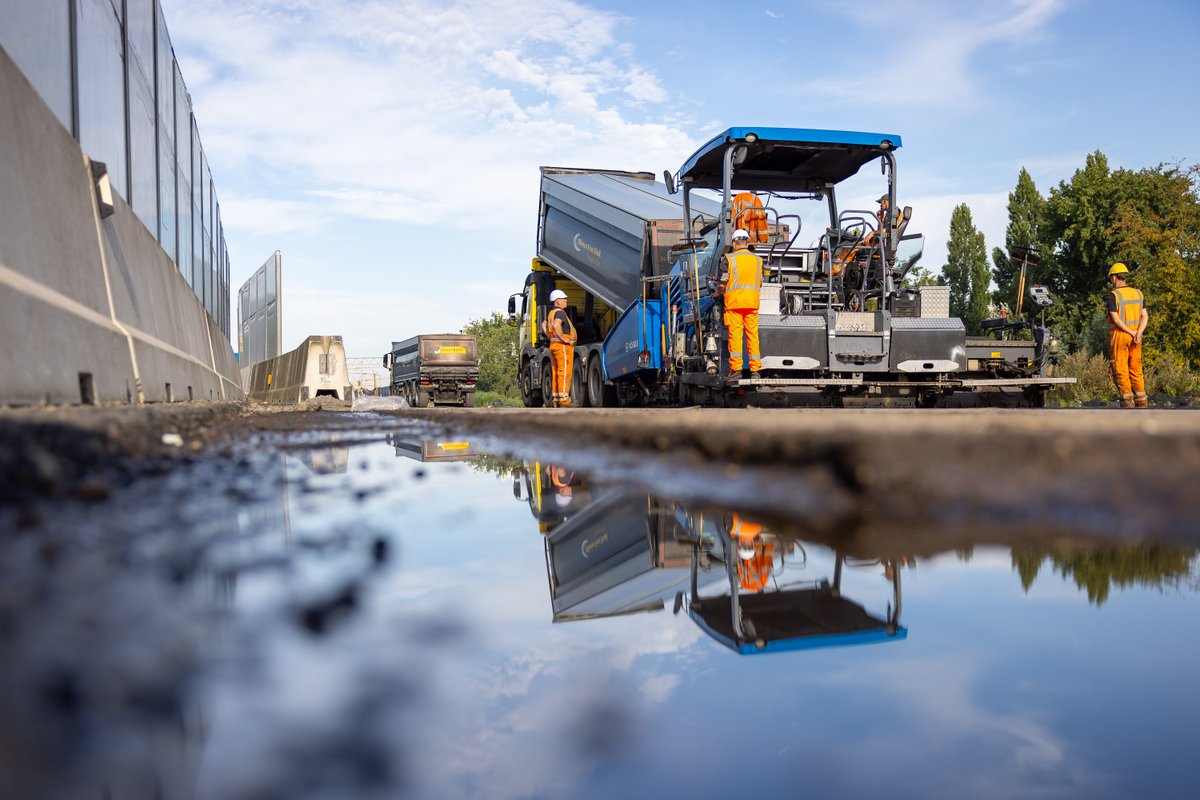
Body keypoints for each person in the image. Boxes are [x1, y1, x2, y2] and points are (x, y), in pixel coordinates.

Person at [717, 229, 763, 379]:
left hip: (734, 304)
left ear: (734, 243)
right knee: (752, 335)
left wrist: (718, 292)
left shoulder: (728, 259)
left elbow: (722, 283)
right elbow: (760, 282)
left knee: (736, 335)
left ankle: (736, 370)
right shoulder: (758, 260)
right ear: (747, 243)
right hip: (752, 303)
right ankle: (755, 370)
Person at [1106, 263, 1148, 408]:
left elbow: (1116, 319)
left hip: (1120, 335)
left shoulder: (1113, 295)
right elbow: (1145, 316)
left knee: (1120, 367)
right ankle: (1142, 400)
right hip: (1137, 336)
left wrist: (1130, 332)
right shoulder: (1138, 293)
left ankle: (1127, 401)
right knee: (1136, 367)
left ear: (1114, 277)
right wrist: (1138, 332)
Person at [543, 288, 577, 407]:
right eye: (564, 299)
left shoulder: (551, 313)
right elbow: (557, 325)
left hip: (554, 345)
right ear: (558, 302)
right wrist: (565, 339)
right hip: (563, 347)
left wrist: (545, 329)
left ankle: (556, 399)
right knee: (564, 372)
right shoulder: (560, 312)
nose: (566, 301)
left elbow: (549, 332)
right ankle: (564, 401)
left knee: (556, 371)